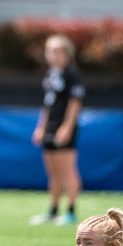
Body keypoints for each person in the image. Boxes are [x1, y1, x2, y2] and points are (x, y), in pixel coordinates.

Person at [30, 34, 85, 226]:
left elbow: (75, 102)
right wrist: (41, 127)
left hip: (63, 127)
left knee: (67, 170)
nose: (51, 54)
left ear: (66, 53)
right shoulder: (52, 74)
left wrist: (67, 127)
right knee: (53, 172)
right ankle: (53, 210)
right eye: (49, 50)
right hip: (50, 128)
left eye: (56, 50)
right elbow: (47, 105)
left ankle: (70, 211)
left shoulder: (72, 74)